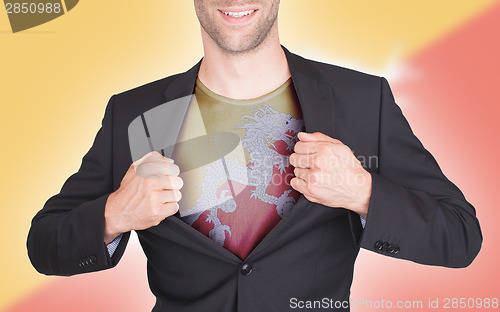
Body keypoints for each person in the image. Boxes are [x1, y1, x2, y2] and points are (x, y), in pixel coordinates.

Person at [27, 1, 482, 311]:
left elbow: (460, 236)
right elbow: (44, 245)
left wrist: (363, 192)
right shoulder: (135, 113)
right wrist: (114, 215)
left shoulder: (362, 100)